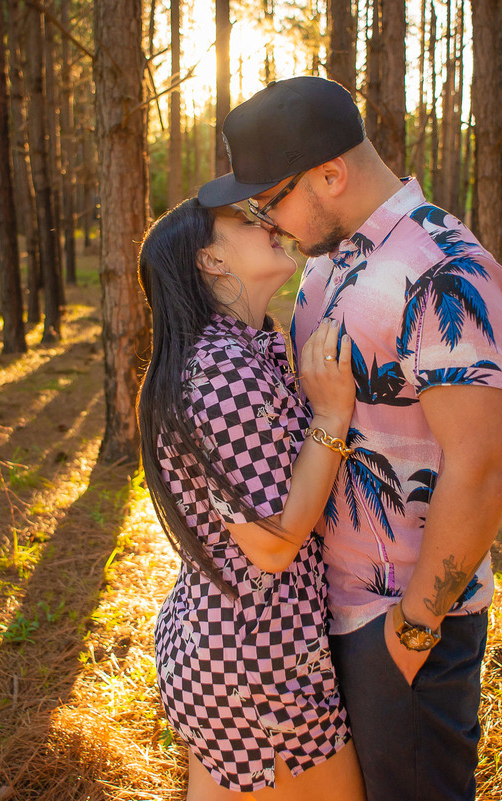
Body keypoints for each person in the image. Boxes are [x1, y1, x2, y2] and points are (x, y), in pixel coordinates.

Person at [199, 76, 502, 801]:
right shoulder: (327, 261)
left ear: (330, 175)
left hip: (401, 619)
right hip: (322, 611)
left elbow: (488, 466)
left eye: (271, 198)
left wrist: (413, 630)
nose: (267, 219)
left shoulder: (442, 269)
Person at [136, 198, 367, 801]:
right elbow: (272, 544)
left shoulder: (245, 351)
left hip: (236, 650)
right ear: (211, 259)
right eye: (246, 220)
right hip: (260, 664)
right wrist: (332, 415)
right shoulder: (221, 371)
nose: (269, 221)